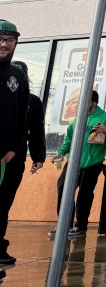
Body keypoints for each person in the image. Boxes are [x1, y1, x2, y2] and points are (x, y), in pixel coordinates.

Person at [0, 61, 46, 265]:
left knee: (3, 203)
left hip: (15, 158)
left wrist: (38, 156)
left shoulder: (33, 102)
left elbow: (36, 130)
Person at [49, 89, 106, 238]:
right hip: (73, 162)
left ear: (93, 101)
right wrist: (61, 152)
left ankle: (81, 226)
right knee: (63, 188)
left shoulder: (105, 117)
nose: (80, 104)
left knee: (84, 194)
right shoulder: (77, 119)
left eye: (84, 100)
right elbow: (69, 139)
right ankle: (64, 224)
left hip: (92, 163)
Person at [0, 21, 30, 270]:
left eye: (10, 40)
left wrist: (13, 148)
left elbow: (23, 116)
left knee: (1, 206)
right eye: (0, 38)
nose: (4, 44)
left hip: (7, 156)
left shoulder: (17, 76)